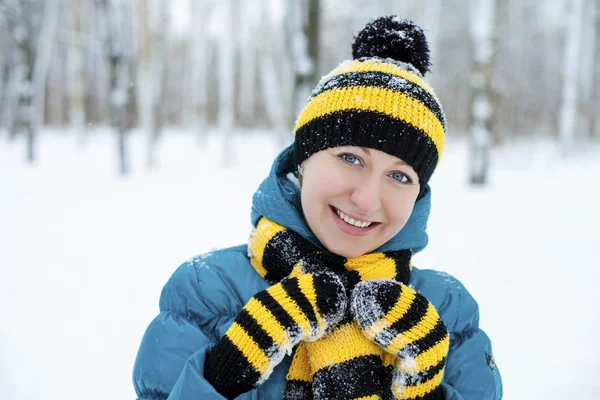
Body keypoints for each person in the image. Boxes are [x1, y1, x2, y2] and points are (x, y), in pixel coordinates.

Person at [133, 16, 503, 400]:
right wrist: (228, 369)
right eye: (350, 158)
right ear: (304, 161)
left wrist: (426, 394)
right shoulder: (208, 290)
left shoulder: (445, 310)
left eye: (399, 176)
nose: (366, 199)